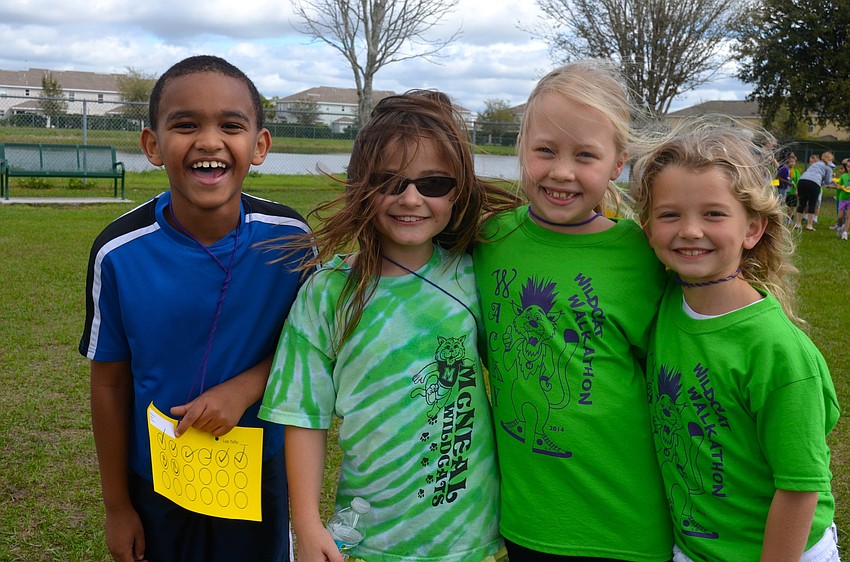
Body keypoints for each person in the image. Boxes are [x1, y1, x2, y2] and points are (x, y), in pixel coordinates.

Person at [259, 90, 519, 562]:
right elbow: (303, 416)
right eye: (389, 182)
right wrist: (307, 523)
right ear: (361, 185)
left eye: (434, 183)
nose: (411, 198)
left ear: (458, 189)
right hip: (369, 541)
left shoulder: (474, 276)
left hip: (471, 534)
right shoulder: (326, 293)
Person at [80, 55, 312, 562]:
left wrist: (244, 388)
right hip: (157, 476)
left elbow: (310, 352)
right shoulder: (119, 252)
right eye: (185, 125)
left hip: (256, 471)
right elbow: (110, 382)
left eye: (231, 125)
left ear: (260, 146)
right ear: (152, 145)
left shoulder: (291, 241)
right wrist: (117, 506)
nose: (209, 141)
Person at [473, 59, 672, 561]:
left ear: (618, 162)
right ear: (521, 148)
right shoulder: (488, 239)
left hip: (627, 525)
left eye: (586, 155)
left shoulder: (642, 255)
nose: (562, 172)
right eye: (545, 150)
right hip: (529, 522)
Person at [629, 121, 840, 561]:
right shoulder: (664, 306)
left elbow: (799, 488)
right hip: (694, 547)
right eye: (670, 215)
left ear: (753, 229)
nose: (689, 230)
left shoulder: (777, 351)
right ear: (648, 229)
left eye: (713, 214)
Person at [795, 152, 835, 230]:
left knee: (802, 203)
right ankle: (809, 225)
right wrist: (831, 181)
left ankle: (798, 224)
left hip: (802, 181)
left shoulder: (815, 164)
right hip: (814, 183)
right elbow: (827, 181)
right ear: (831, 159)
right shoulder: (829, 167)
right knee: (812, 204)